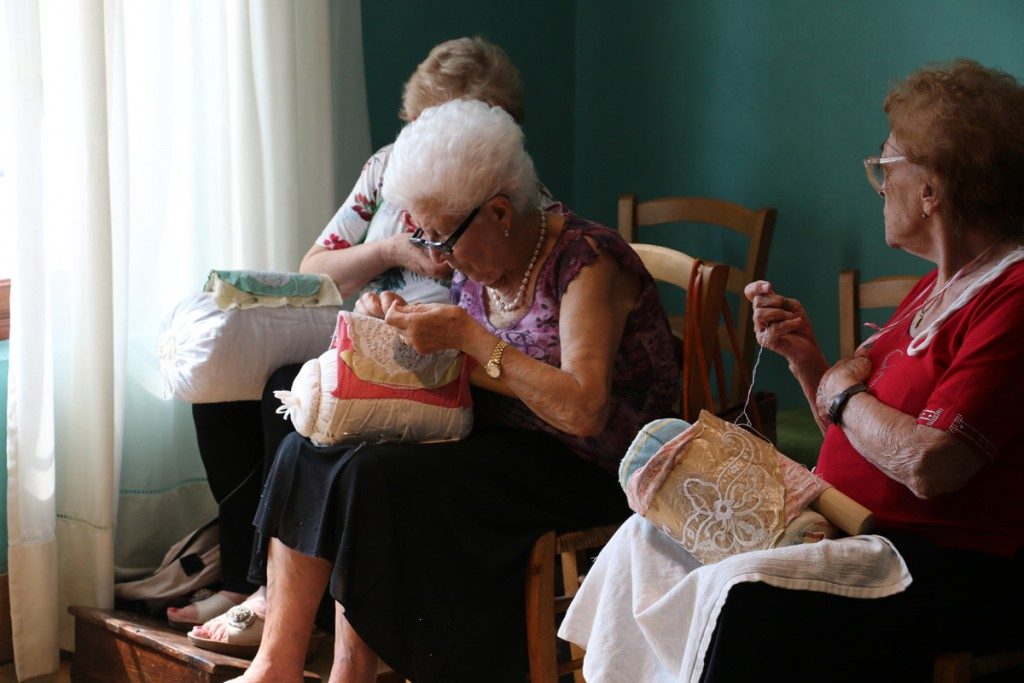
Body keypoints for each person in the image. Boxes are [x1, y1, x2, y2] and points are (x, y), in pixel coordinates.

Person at [560, 59, 1024, 681]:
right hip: (852, 531)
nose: (880, 185)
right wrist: (811, 364)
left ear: (933, 188)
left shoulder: (1011, 294)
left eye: (886, 168)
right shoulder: (937, 288)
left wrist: (841, 388)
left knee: (740, 592)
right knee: (649, 543)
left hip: (942, 563)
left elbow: (929, 461)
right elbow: (856, 421)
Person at [227, 98, 679, 682]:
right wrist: (386, 322)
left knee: (374, 480)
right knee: (311, 447)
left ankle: (349, 676)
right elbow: (468, 372)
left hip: (589, 466)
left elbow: (585, 409)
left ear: (498, 210)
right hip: (493, 440)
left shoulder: (587, 261)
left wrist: (465, 337)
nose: (437, 256)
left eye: (442, 238)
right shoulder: (477, 256)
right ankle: (276, 666)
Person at [170, 37, 558, 641]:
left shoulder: (515, 204)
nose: (432, 145)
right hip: (354, 332)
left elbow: (521, 324)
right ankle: (246, 570)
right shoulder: (385, 169)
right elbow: (314, 269)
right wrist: (392, 250)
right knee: (220, 389)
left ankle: (291, 595)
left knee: (288, 388)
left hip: (435, 359)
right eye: (425, 127)